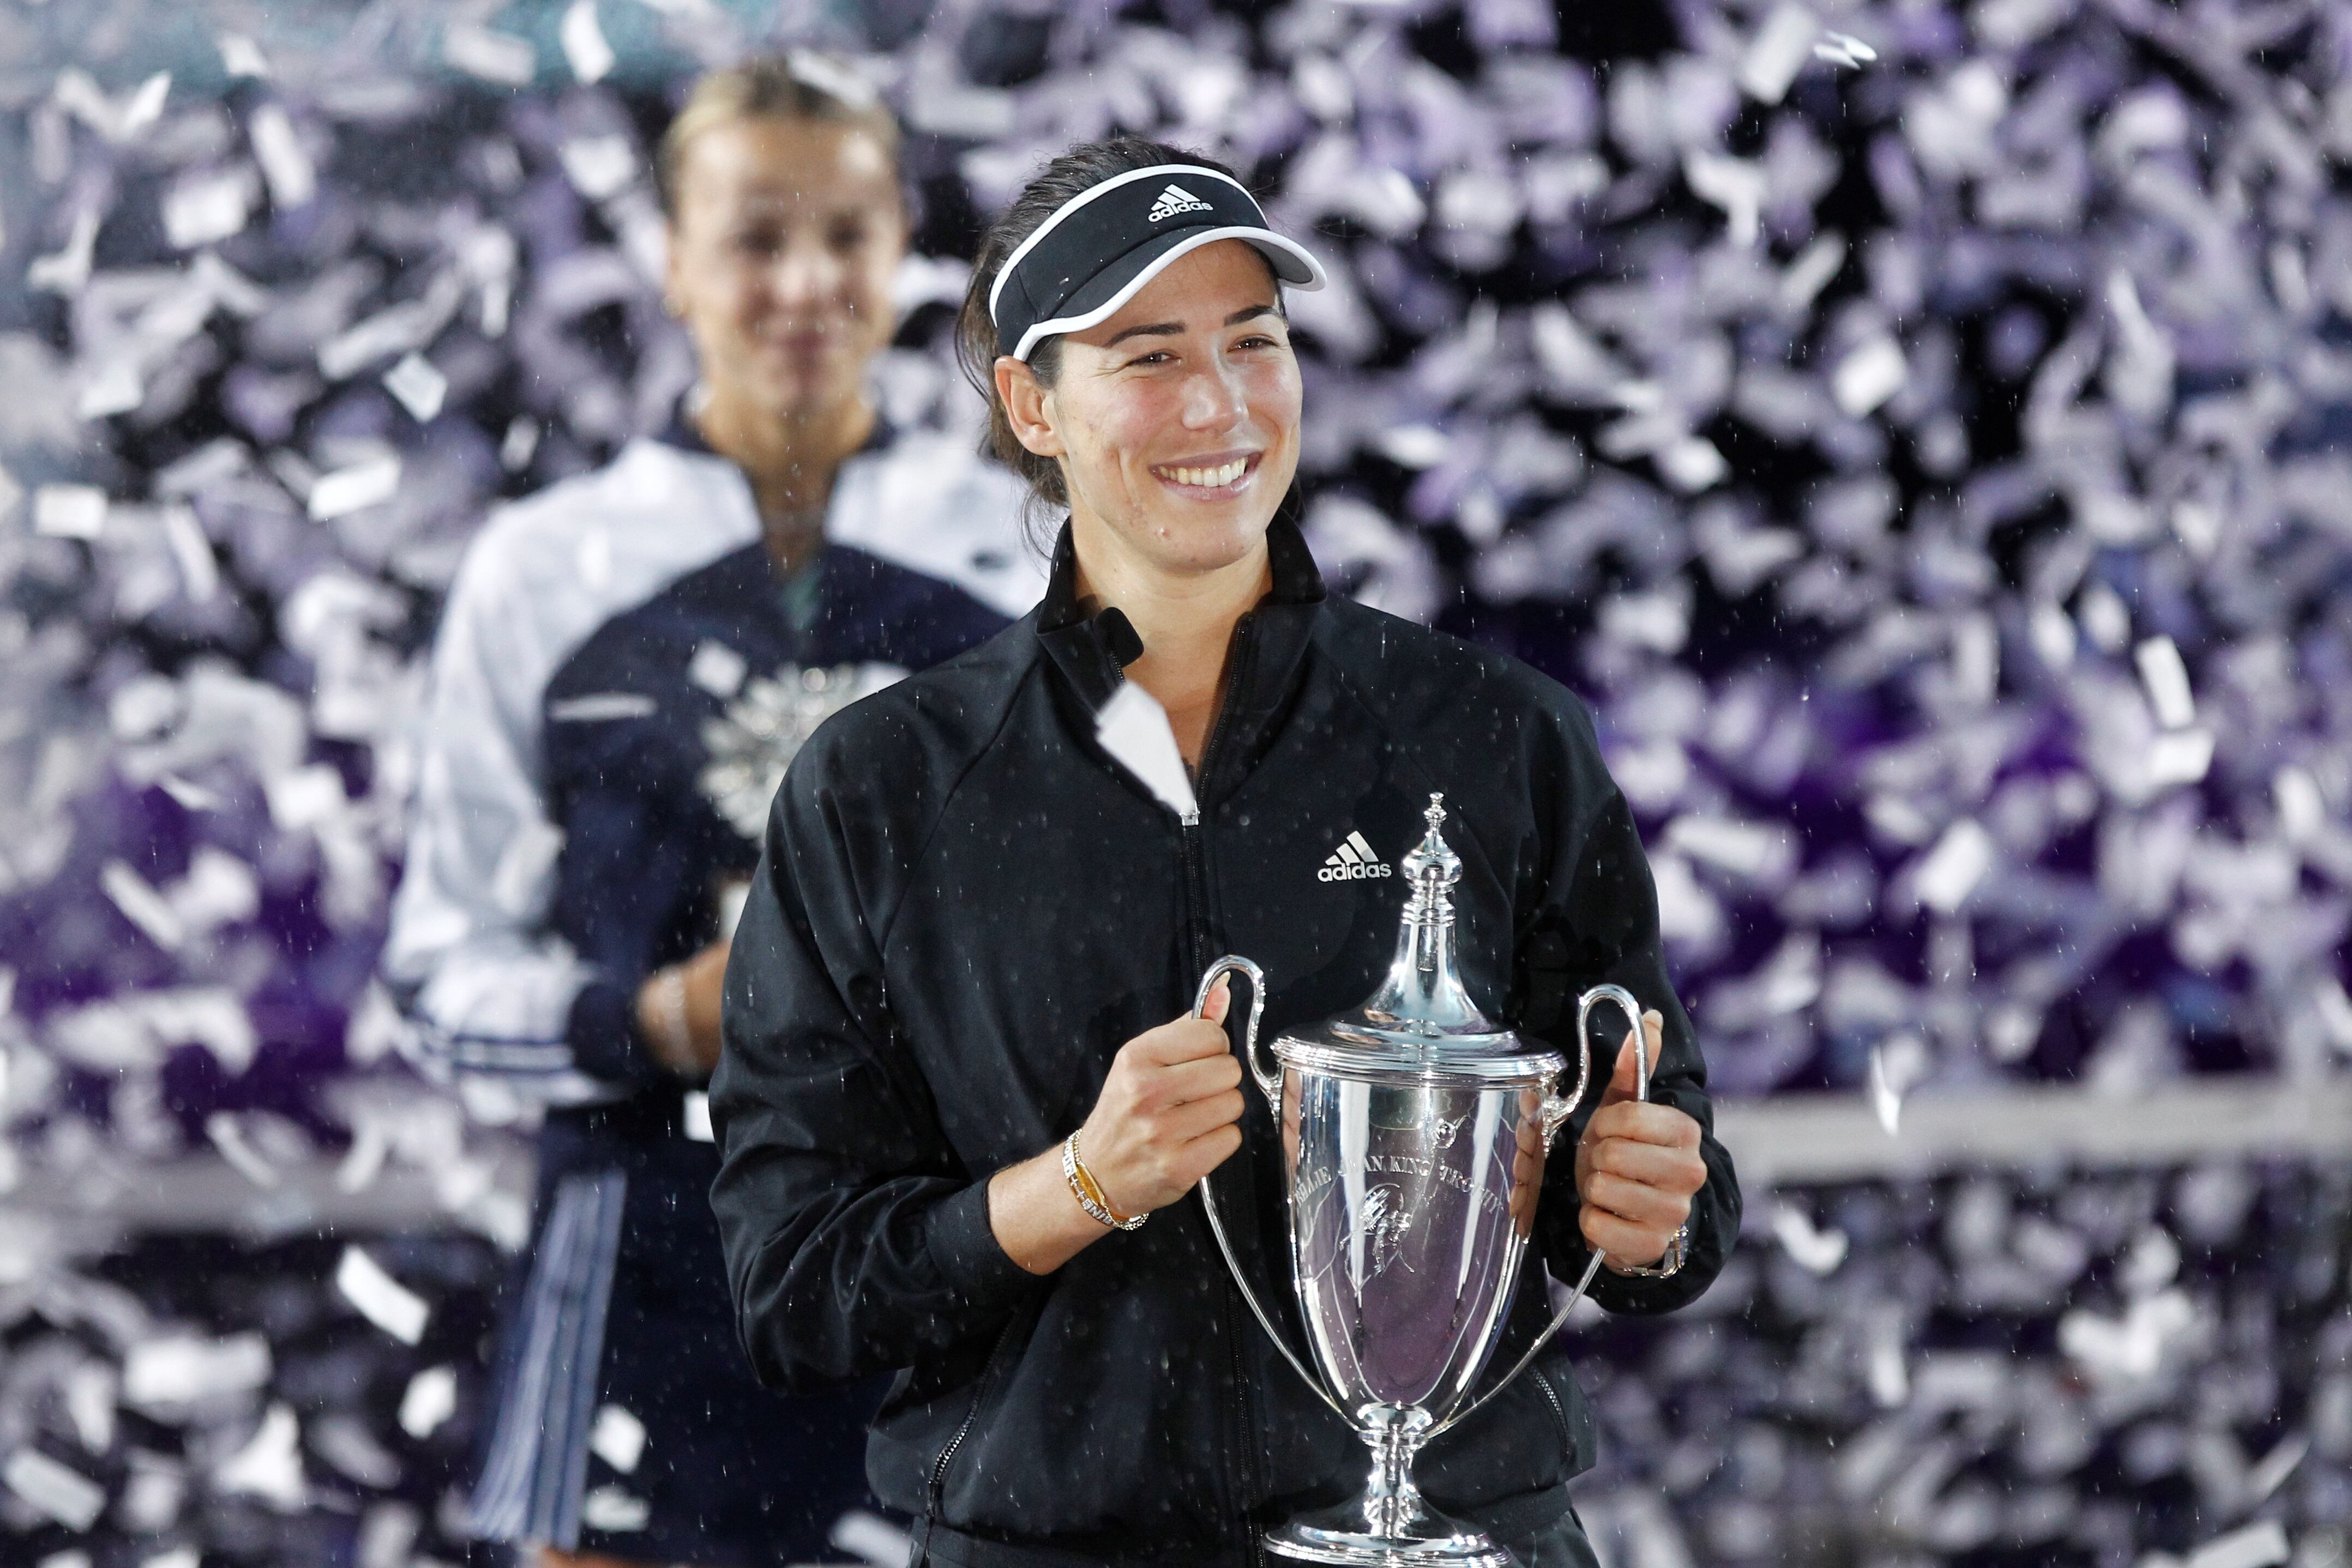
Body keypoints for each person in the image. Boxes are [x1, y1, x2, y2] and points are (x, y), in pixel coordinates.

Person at [708, 137, 1741, 1567]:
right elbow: (792, 1286)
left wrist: (1644, 1206)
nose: (1218, 403)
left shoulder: (1491, 737)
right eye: (1146, 355)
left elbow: (1664, 1160)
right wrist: (1078, 1181)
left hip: (1453, 1540)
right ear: (1033, 404)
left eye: (1252, 341)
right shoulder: (880, 789)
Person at [381, 57, 1040, 1568]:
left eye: (848, 234)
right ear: (672, 264)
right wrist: (655, 1020)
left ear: (905, 259)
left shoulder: (1027, 561)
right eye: (754, 236)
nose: (804, 281)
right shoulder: (544, 569)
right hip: (634, 1265)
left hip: (945, 1269)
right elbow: (436, 980)